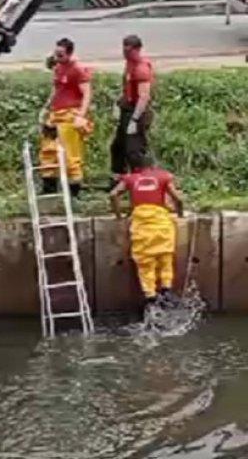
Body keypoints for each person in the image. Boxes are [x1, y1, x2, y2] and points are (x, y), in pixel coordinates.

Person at [109, 152, 184, 316]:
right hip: (161, 223)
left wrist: (119, 215)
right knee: (165, 259)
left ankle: (150, 298)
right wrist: (180, 214)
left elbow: (113, 195)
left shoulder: (130, 178)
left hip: (141, 225)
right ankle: (166, 291)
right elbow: (178, 199)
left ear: (135, 167)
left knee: (145, 264)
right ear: (153, 165)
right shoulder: (164, 176)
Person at [38, 37, 92, 198]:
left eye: (60, 55)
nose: (57, 57)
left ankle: (73, 192)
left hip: (70, 114)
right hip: (55, 113)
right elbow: (57, 89)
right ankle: (49, 187)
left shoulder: (78, 70)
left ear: (69, 54)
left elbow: (87, 94)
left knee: (70, 154)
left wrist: (81, 116)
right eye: (56, 54)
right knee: (48, 150)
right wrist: (47, 107)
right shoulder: (58, 68)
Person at [111, 35, 154, 186]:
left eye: (129, 51)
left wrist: (134, 120)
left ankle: (141, 181)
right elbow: (126, 88)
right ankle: (118, 180)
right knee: (118, 146)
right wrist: (118, 104)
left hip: (137, 111)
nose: (125, 54)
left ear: (137, 49)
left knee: (133, 150)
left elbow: (144, 97)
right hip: (126, 108)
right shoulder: (129, 63)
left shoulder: (141, 68)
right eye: (124, 50)